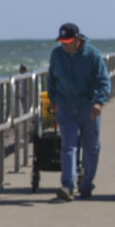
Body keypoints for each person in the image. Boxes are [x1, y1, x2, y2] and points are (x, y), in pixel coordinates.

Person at [47, 22, 110, 201]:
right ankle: (68, 186)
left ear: (78, 39)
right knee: (68, 146)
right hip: (65, 107)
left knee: (91, 148)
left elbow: (103, 81)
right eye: (62, 42)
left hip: (88, 108)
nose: (64, 45)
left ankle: (86, 184)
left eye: (67, 41)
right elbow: (51, 78)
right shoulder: (57, 54)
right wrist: (52, 99)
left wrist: (99, 102)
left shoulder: (92, 55)